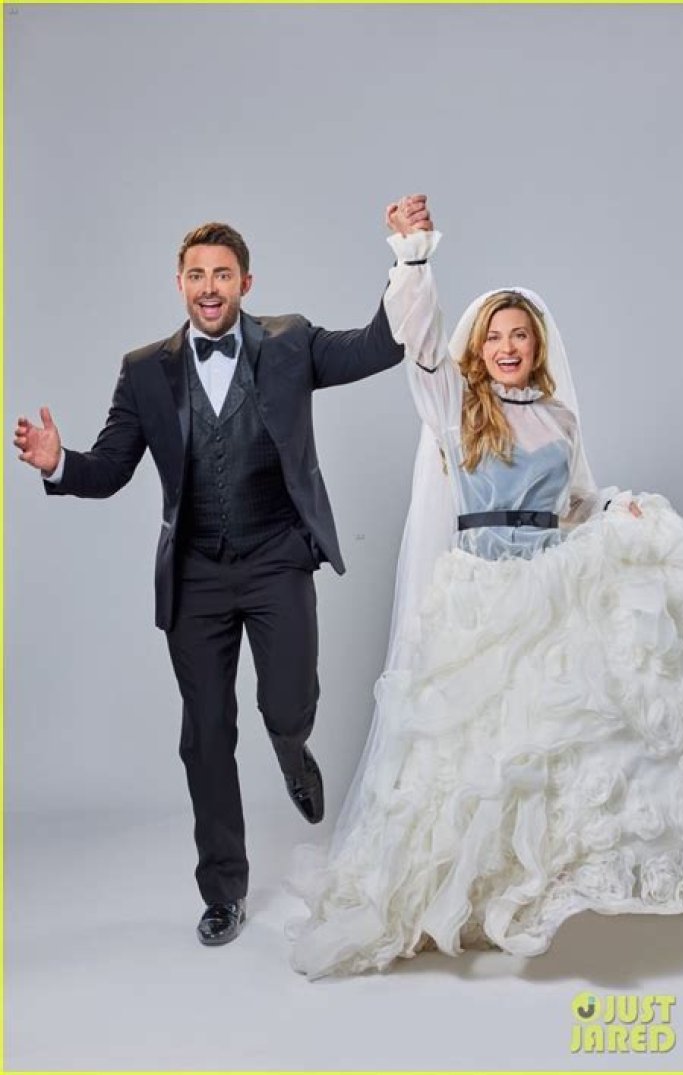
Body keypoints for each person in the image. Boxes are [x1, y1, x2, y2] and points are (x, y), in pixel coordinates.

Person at [287, 207, 683, 978]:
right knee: (473, 755)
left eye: (520, 335)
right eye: (495, 337)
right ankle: (456, 892)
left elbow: (576, 503)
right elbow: (421, 345)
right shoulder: (456, 405)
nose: (509, 347)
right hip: (483, 593)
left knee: (550, 742)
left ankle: (540, 884)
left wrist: (619, 511)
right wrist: (414, 258)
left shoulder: (559, 418)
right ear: (479, 348)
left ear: (538, 346)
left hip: (551, 586)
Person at [13, 196, 434, 947]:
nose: (210, 288)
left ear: (245, 282)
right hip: (196, 576)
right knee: (205, 734)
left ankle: (292, 745)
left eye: (223, 274)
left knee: (287, 703)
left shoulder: (292, 341)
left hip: (277, 558)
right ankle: (223, 891)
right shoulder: (144, 371)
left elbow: (380, 345)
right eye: (197, 275)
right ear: (180, 283)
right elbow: (110, 468)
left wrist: (409, 256)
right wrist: (59, 463)